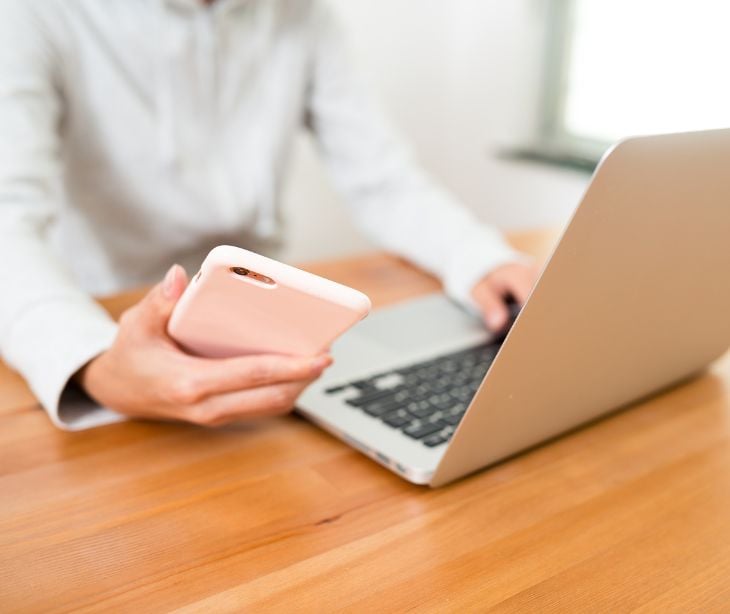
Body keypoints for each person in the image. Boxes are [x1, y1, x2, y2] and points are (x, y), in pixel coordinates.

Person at [0, 0, 537, 430]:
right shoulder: (34, 13)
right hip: (103, 316)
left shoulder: (303, 15)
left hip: (269, 332)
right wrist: (91, 360)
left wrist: (478, 257)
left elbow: (383, 179)